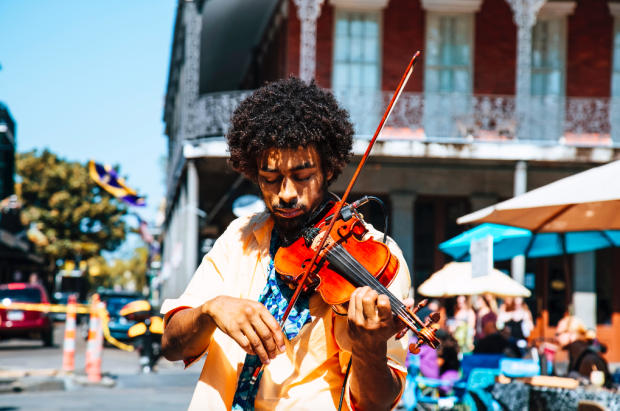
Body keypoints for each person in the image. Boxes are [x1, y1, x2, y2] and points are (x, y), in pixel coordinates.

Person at [161, 77, 414, 411]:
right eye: (270, 179)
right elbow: (171, 344)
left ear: (328, 170)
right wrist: (212, 309)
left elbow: (378, 402)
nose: (286, 194)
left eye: (303, 176)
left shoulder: (376, 256)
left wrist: (369, 350)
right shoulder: (238, 238)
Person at [555, 316, 610, 386]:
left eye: (557, 334)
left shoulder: (589, 360)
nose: (555, 338)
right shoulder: (576, 356)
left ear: (570, 334)